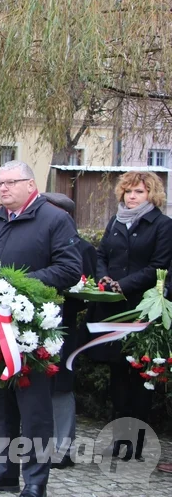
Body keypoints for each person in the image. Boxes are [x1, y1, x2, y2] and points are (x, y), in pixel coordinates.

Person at [0, 160, 81, 497]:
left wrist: (17, 286)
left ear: (31, 185)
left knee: (34, 410)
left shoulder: (54, 219)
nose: (3, 188)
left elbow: (70, 268)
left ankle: (35, 480)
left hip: (31, 330)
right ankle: (2, 471)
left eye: (11, 182)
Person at [91, 171, 172, 462]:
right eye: (128, 191)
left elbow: (158, 266)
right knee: (117, 376)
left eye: (139, 191)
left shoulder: (163, 225)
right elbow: (101, 255)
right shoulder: (115, 221)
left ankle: (136, 442)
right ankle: (118, 438)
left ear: (151, 194)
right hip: (112, 308)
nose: (132, 196)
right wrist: (104, 280)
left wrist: (122, 284)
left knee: (140, 376)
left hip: (142, 310)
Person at [40, 192, 97, 470]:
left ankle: (62, 449)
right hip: (36, 325)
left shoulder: (82, 248)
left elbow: (84, 289)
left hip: (64, 326)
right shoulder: (37, 240)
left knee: (61, 386)